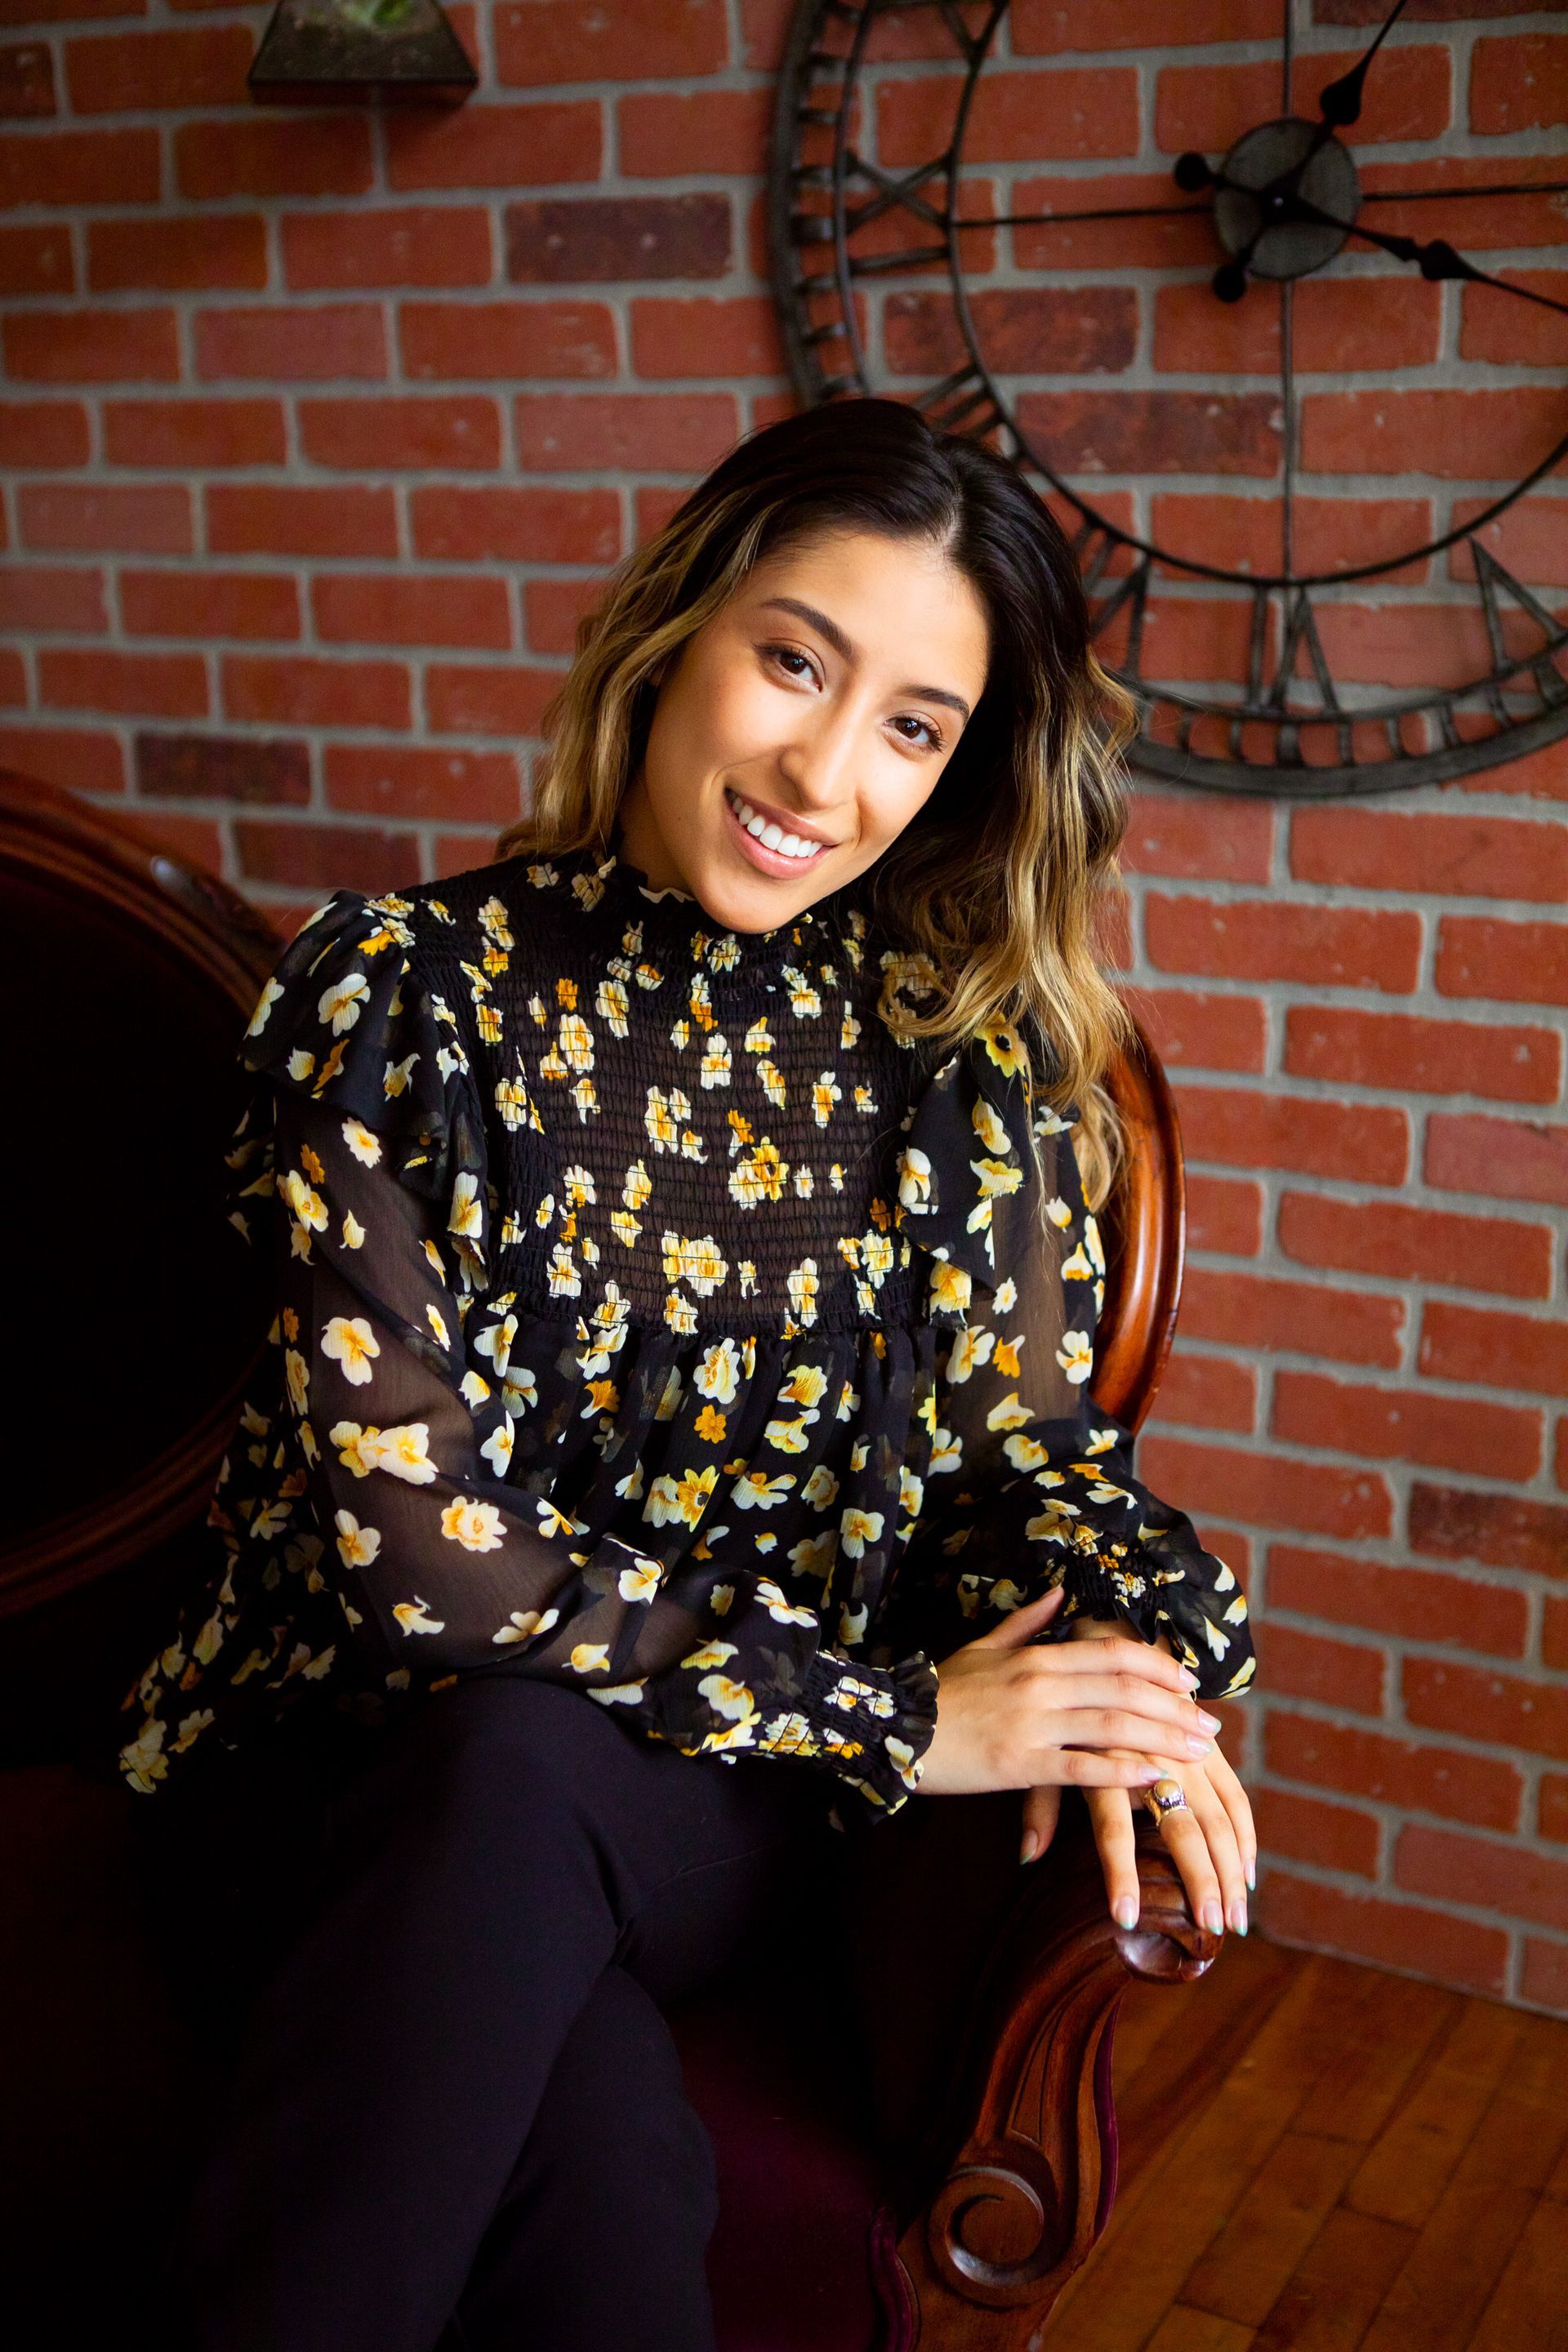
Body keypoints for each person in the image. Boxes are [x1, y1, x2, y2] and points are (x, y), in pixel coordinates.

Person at [111, 395, 1256, 2352]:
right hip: (320, 1780)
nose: (824, 765)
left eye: (913, 722)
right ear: (677, 630)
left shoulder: (955, 1069)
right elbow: (417, 1562)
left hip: (701, 1818)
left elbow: (1023, 1463)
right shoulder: (401, 998)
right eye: (793, 660)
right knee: (612, 2174)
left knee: (524, 1771)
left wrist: (1153, 1666)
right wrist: (903, 1722)